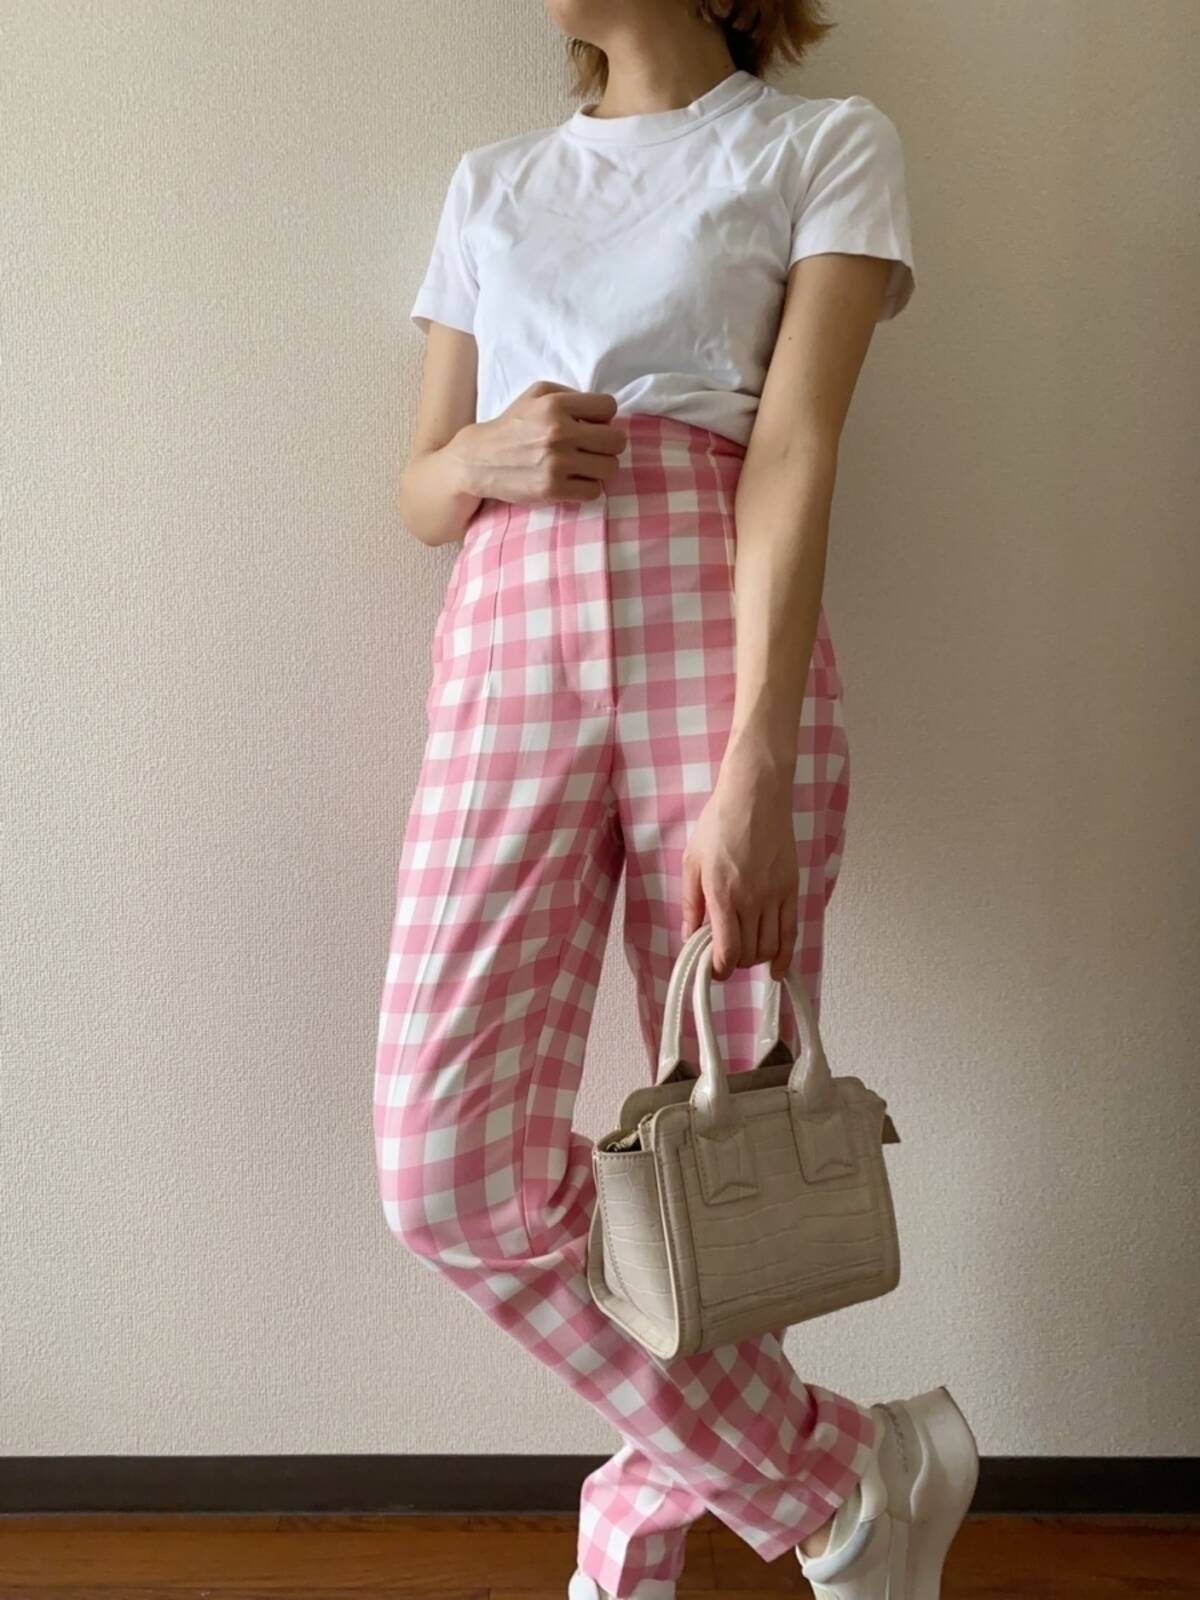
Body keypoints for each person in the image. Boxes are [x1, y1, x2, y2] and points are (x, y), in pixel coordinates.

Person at [374, 3, 978, 1597]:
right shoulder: (493, 183)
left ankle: (632, 1558)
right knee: (441, 1168)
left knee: (727, 1164)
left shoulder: (820, 146)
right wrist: (484, 458)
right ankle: (847, 1478)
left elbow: (796, 447)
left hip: (717, 639)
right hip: (507, 639)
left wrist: (756, 760)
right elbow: (418, 485)